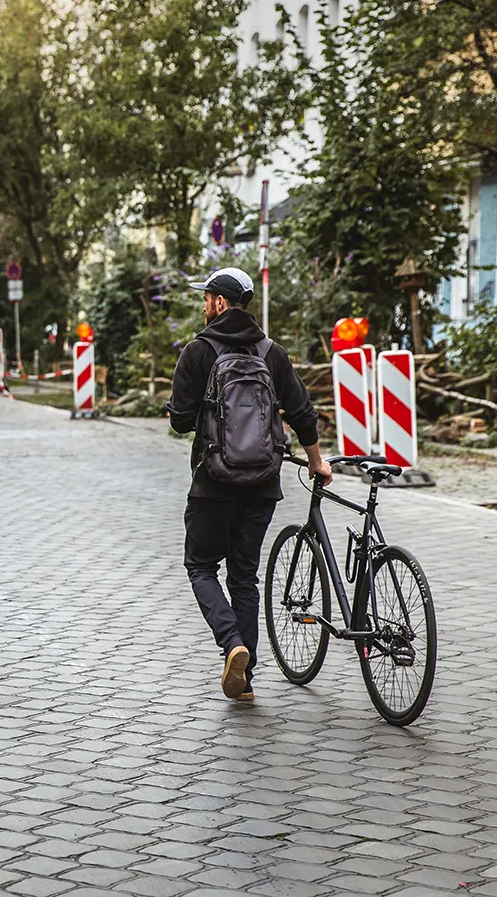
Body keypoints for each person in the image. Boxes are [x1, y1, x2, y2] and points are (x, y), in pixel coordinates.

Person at [165, 267, 332, 701]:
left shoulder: (198, 352)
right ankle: (245, 680)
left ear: (220, 303)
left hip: (212, 483)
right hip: (262, 484)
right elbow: (302, 411)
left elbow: (181, 422)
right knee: (244, 576)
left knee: (200, 566)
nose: (204, 306)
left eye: (206, 299)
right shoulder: (271, 352)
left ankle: (231, 644)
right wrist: (316, 463)